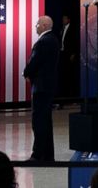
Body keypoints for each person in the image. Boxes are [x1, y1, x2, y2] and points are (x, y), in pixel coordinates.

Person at [23, 16, 59, 161]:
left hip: (41, 87)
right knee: (46, 121)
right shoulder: (54, 40)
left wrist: (26, 73)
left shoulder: (42, 42)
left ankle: (38, 155)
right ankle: (48, 154)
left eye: (37, 24)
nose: (35, 26)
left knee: (38, 121)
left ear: (44, 25)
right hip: (48, 86)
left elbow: (34, 62)